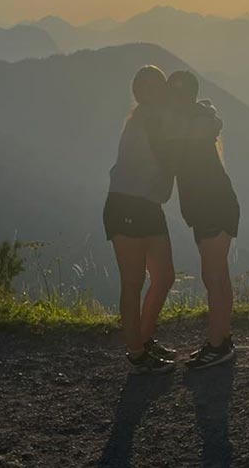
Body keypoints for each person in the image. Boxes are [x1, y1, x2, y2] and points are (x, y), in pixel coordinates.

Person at [103, 65, 179, 374]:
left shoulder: (149, 116)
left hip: (147, 205)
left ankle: (144, 340)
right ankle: (136, 354)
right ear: (143, 92)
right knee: (133, 282)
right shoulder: (149, 117)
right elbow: (170, 154)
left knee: (164, 276)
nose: (159, 91)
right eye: (153, 86)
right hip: (127, 204)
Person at [165, 70, 240, 370]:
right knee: (219, 275)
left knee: (213, 277)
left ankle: (218, 345)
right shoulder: (197, 118)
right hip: (215, 205)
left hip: (212, 206)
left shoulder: (192, 123)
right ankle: (222, 338)